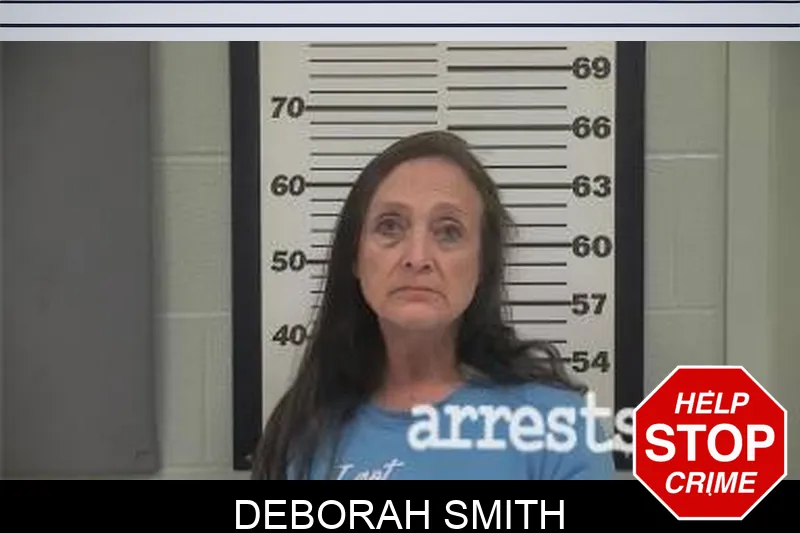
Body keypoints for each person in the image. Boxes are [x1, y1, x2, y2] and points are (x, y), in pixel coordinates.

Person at [251, 130, 615, 480]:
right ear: (355, 257)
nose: (417, 257)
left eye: (448, 232)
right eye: (390, 227)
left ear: (482, 266)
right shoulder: (302, 434)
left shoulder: (558, 430)